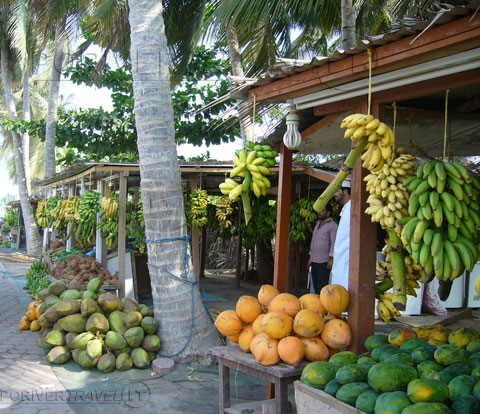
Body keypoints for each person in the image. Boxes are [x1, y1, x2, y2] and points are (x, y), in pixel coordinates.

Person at [308, 203, 338, 294]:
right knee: (315, 285)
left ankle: (322, 306)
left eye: (323, 211)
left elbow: (334, 243)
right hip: (314, 260)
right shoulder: (317, 224)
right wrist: (310, 258)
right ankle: (316, 303)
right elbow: (313, 242)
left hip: (324, 261)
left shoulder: (333, 225)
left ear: (328, 213)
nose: (320, 213)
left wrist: (331, 259)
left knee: (322, 286)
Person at [330, 180, 352, 290]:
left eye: (337, 191)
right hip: (340, 258)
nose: (334, 194)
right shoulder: (346, 207)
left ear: (346, 191)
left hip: (347, 259)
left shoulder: (352, 207)